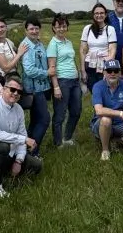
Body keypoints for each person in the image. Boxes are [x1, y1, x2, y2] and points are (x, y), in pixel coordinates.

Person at [90, 59, 123, 161]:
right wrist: (121, 113)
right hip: (101, 123)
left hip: (119, 124)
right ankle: (105, 150)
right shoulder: (97, 86)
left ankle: (114, 141)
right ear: (104, 72)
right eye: (109, 71)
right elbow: (99, 110)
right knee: (106, 120)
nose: (112, 74)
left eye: (115, 71)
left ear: (120, 72)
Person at [46, 13, 81, 148]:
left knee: (76, 111)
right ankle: (58, 142)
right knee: (60, 114)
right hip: (62, 81)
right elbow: (52, 67)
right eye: (58, 26)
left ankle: (67, 137)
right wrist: (56, 87)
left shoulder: (69, 42)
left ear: (67, 27)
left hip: (74, 81)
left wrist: (78, 74)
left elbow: (72, 60)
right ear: (54, 28)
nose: (61, 29)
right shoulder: (53, 44)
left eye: (64, 26)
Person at [19, 16, 51, 155]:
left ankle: (24, 151)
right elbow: (29, 70)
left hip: (42, 87)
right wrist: (47, 72)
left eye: (36, 28)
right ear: (26, 30)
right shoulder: (26, 46)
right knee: (44, 120)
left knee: (35, 120)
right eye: (31, 29)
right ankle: (33, 152)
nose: (34, 31)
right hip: (33, 89)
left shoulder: (38, 43)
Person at [80, 3, 118, 91]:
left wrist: (107, 70)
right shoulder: (87, 29)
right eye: (96, 13)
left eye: (101, 13)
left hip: (103, 66)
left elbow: (112, 50)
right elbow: (82, 50)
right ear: (93, 15)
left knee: (105, 92)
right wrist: (82, 70)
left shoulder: (110, 29)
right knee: (94, 93)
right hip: (89, 66)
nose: (99, 15)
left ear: (105, 14)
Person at [0, 16, 27, 99]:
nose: (0, 30)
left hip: (11, 80)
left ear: (6, 27)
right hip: (0, 83)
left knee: (12, 107)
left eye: (2, 27)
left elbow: (19, 52)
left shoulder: (8, 41)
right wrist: (19, 54)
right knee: (2, 109)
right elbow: (6, 68)